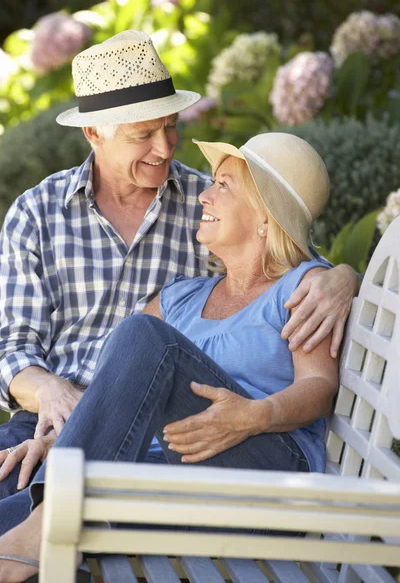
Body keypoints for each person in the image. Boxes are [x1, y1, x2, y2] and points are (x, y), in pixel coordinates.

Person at [0, 31, 358, 515]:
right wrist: (56, 402)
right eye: (141, 134)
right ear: (94, 132)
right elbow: (13, 349)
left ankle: (46, 521)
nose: (165, 148)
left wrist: (344, 276)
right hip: (59, 417)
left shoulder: (203, 203)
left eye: (169, 126)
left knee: (142, 340)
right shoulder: (37, 213)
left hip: (179, 441)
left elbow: (282, 247)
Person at [0, 131, 339, 582]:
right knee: (11, 494)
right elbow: (120, 390)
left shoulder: (301, 290)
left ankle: (52, 518)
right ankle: (52, 522)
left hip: (263, 477)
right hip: (171, 478)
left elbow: (318, 387)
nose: (204, 195)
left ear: (265, 217)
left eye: (223, 185)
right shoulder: (180, 297)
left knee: (143, 335)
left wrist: (255, 416)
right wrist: (62, 443)